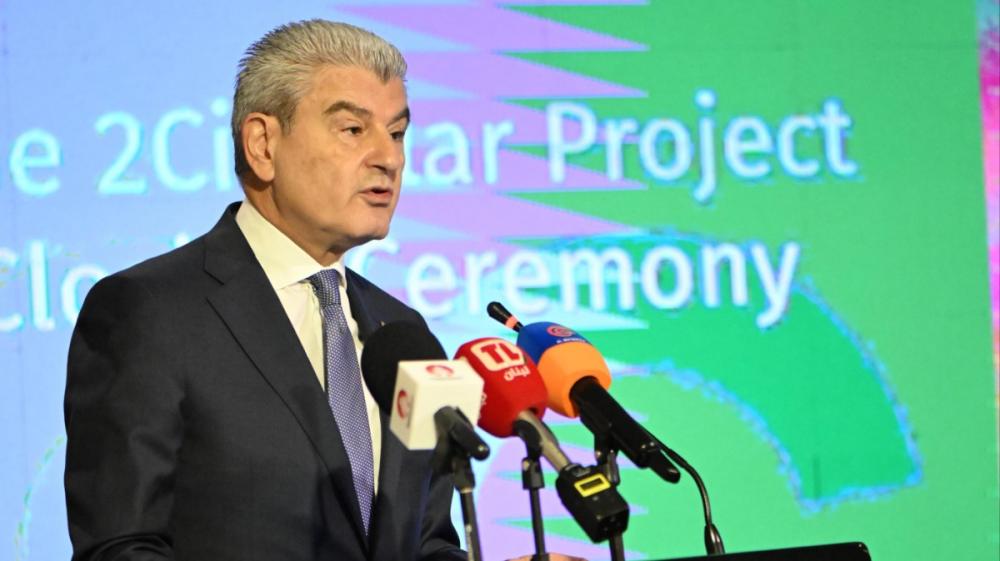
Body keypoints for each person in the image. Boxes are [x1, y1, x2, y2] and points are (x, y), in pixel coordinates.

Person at [65, 19, 584, 561]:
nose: (389, 158)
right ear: (263, 144)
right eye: (353, 130)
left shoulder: (401, 333)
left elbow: (425, 544)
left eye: (397, 133)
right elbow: (121, 548)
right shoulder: (149, 312)